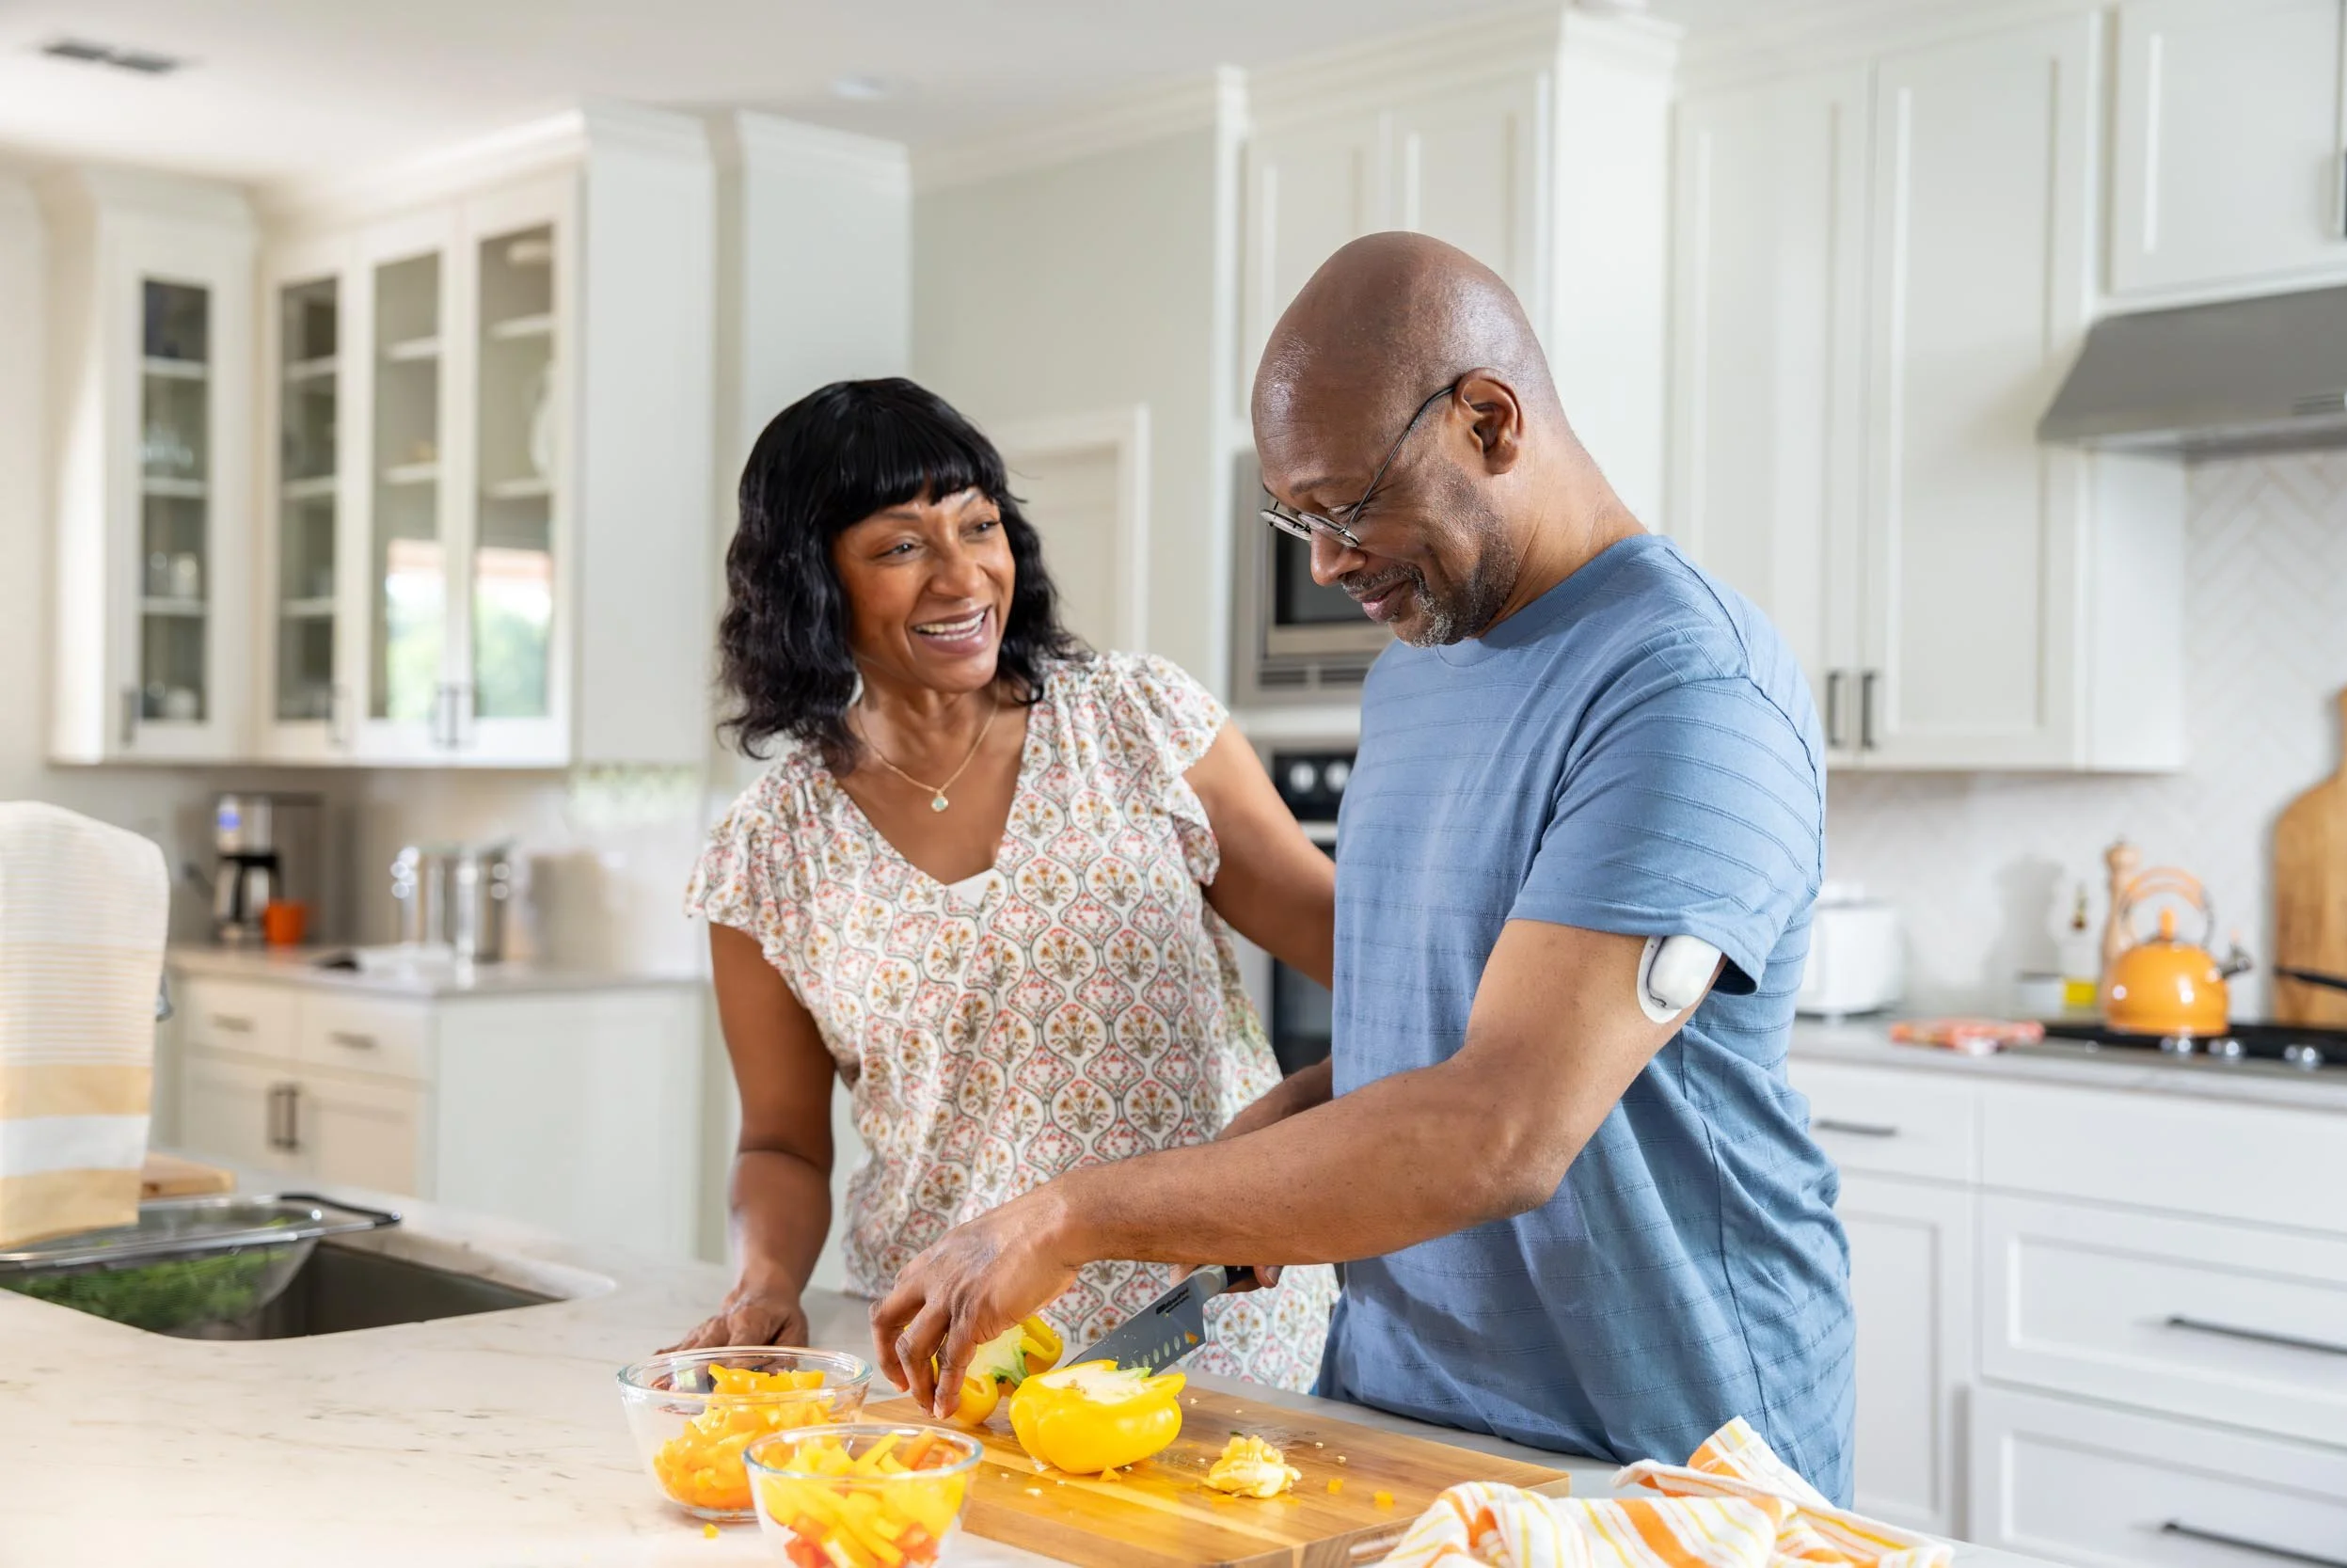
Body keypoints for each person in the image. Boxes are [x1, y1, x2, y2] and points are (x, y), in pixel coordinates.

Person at [866, 236, 1855, 1502]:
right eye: (1298, 518)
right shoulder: (1412, 674)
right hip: (1402, 1411)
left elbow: (1503, 1124)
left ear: (1487, 421)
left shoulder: (1684, 684)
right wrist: (1297, 1139)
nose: (1326, 561)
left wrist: (1074, 1213)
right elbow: (1450, 1017)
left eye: (1344, 506)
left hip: (1660, 1451)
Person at [672, 378, 1340, 1390]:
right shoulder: (767, 849)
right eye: (901, 546)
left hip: (1220, 1324)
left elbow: (1364, 954)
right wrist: (765, 1280)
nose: (961, 576)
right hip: (954, 1352)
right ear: (814, 580)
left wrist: (1315, 1110)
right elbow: (780, 1143)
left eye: (978, 526)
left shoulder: (1136, 722)